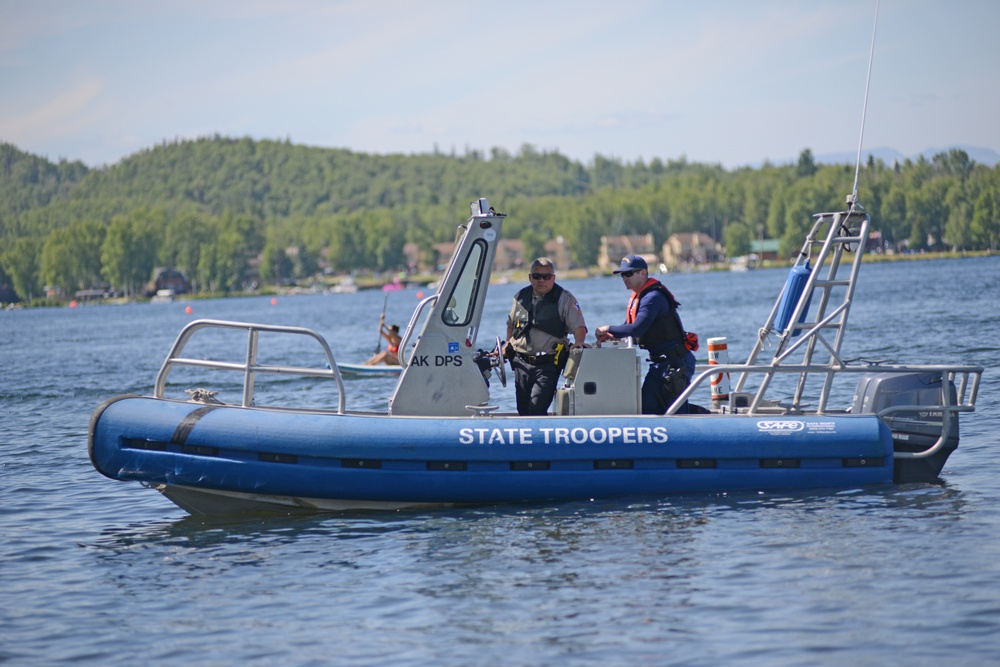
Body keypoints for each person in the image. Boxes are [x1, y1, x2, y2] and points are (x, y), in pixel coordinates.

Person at [595, 255, 697, 415]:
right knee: (647, 409)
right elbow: (629, 327)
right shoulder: (640, 298)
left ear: (643, 273)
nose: (624, 278)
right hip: (659, 364)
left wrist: (608, 328)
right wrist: (612, 335)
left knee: (678, 414)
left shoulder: (652, 298)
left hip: (675, 363)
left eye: (629, 274)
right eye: (622, 275)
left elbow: (636, 329)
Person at [504, 257, 588, 416]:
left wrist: (579, 342)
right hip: (521, 362)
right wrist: (507, 343)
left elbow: (579, 325)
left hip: (547, 364)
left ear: (553, 278)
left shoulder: (564, 298)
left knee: (536, 408)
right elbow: (511, 324)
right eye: (537, 276)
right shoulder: (520, 297)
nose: (541, 280)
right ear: (530, 277)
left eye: (546, 277)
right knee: (523, 411)